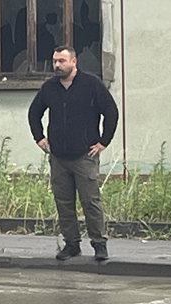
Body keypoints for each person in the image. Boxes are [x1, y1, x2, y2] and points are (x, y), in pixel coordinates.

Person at [28, 46, 119, 261]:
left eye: (62, 61)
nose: (57, 65)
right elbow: (34, 113)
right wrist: (39, 138)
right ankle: (71, 244)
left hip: (84, 155)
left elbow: (111, 112)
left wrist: (103, 142)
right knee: (64, 202)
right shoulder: (49, 88)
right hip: (59, 156)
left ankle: (99, 244)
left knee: (91, 201)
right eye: (55, 61)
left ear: (74, 62)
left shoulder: (91, 84)